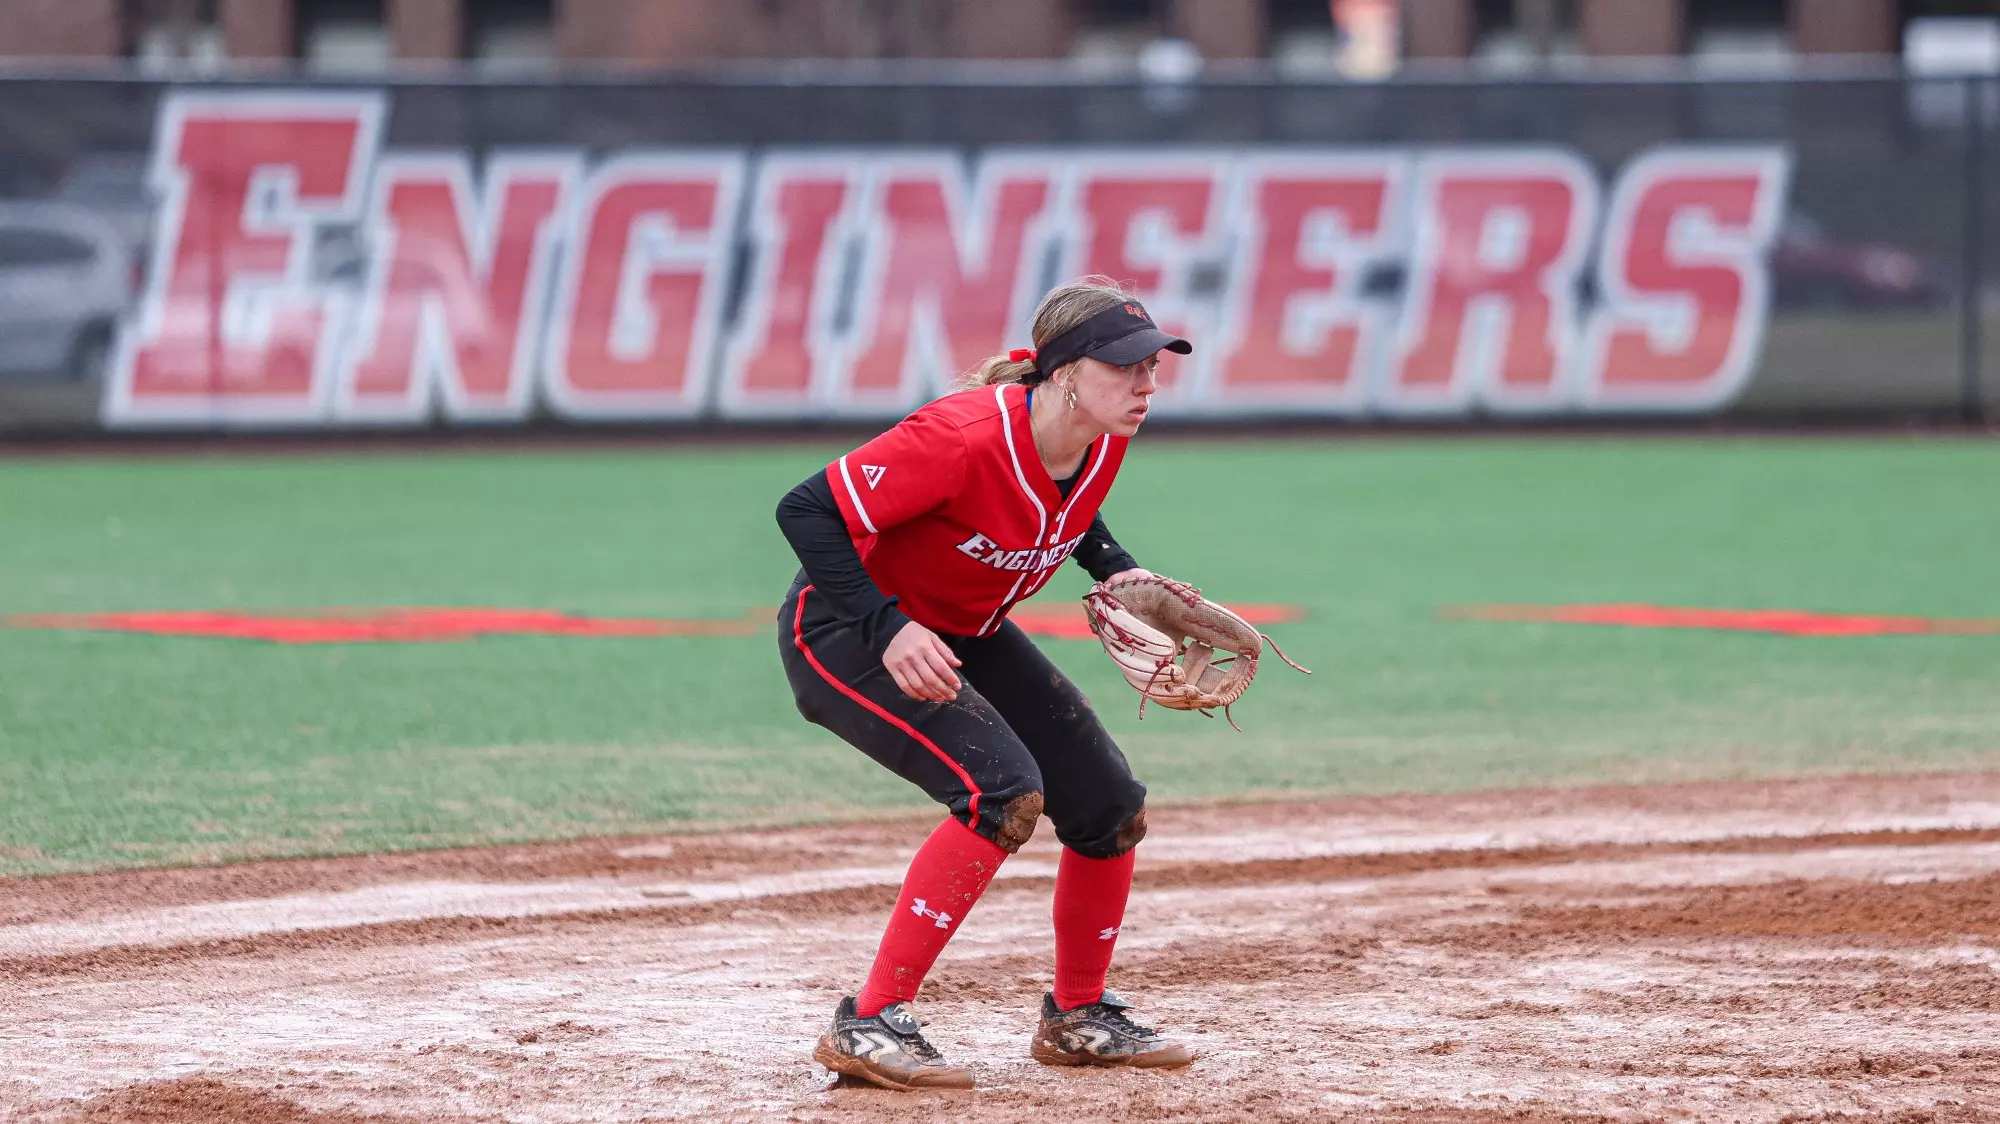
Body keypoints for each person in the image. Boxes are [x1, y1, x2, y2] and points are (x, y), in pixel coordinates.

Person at [773, 276, 1199, 1091]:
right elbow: (806, 509)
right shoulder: (961, 437)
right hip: (843, 630)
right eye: (1126, 367)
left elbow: (1070, 509)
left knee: (1108, 804)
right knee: (1001, 794)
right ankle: (867, 1024)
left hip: (966, 629)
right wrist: (886, 626)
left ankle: (1078, 1018)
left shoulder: (1101, 433)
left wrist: (1118, 569)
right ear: (1066, 373)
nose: (1146, 384)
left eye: (1153, 365)